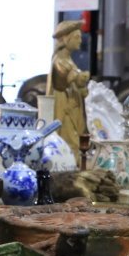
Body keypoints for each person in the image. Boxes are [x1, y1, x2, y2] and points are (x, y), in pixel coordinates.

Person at [47, 19, 89, 165]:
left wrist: (81, 86)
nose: (80, 41)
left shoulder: (69, 60)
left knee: (76, 136)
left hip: (73, 106)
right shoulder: (59, 61)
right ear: (66, 39)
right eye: (77, 37)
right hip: (65, 107)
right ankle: (68, 165)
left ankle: (75, 163)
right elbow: (62, 82)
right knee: (68, 137)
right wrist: (78, 78)